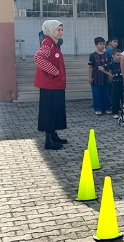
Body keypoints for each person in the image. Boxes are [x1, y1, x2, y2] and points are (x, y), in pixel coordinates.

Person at [34, 20, 68, 150]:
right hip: (50, 85)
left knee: (55, 111)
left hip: (56, 84)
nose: (60, 32)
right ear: (50, 30)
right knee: (49, 112)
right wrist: (54, 71)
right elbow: (38, 58)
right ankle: (48, 141)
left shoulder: (54, 43)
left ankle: (53, 135)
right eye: (58, 30)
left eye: (61, 30)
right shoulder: (48, 43)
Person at [88, 37, 113, 116]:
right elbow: (90, 67)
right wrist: (90, 77)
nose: (102, 46)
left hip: (105, 78)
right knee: (97, 94)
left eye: (103, 44)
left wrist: (110, 76)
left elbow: (109, 66)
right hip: (96, 78)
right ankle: (98, 108)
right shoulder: (93, 55)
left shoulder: (107, 55)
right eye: (100, 44)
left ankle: (107, 108)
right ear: (96, 45)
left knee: (106, 94)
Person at [109, 49, 124, 119]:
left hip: (123, 82)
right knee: (115, 98)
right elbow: (102, 68)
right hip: (115, 83)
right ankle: (115, 112)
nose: (119, 57)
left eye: (120, 55)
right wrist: (110, 74)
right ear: (113, 56)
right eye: (118, 55)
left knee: (123, 97)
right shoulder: (111, 64)